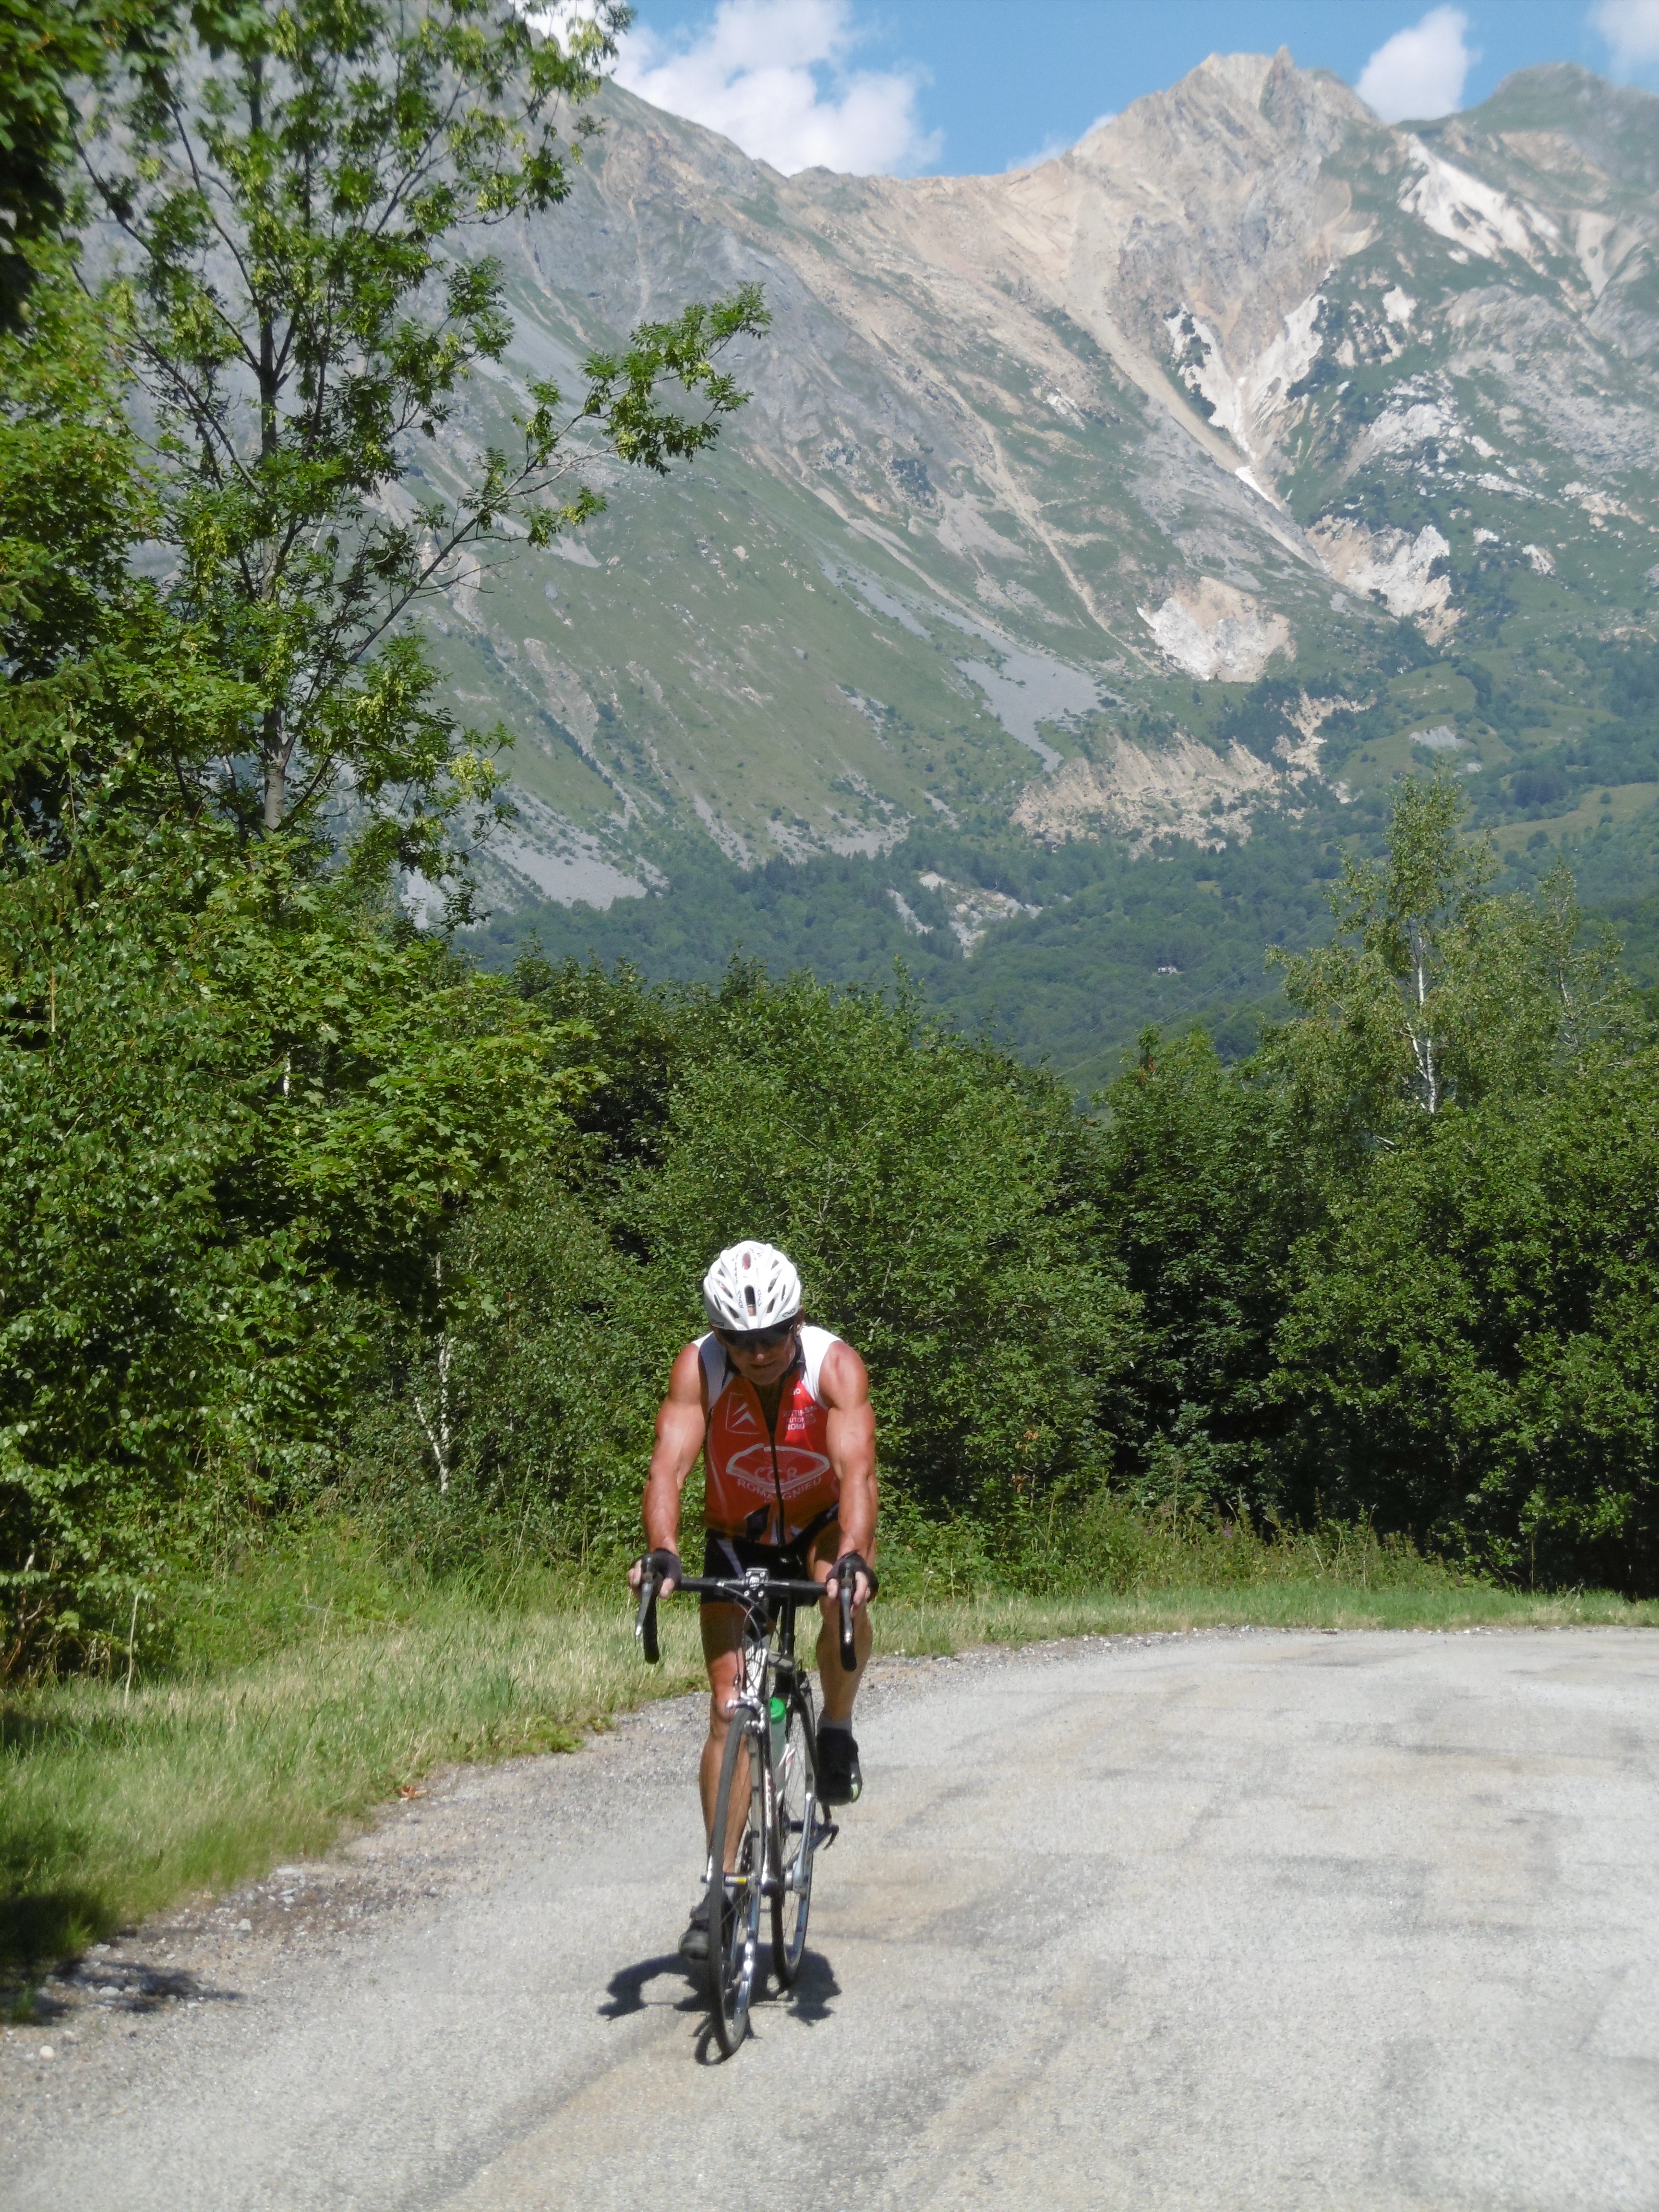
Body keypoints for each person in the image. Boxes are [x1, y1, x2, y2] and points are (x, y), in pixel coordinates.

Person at [628, 1238, 878, 1964]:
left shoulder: (836, 1366)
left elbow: (856, 1474)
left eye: (771, 1336)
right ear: (721, 1335)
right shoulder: (699, 1367)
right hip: (736, 1534)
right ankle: (721, 1881)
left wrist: (856, 1556)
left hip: (821, 1527)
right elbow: (669, 1467)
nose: (758, 1352)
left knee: (841, 1597)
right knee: (729, 1708)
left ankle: (834, 1727)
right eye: (741, 1340)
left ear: (797, 1322)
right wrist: (663, 1548)